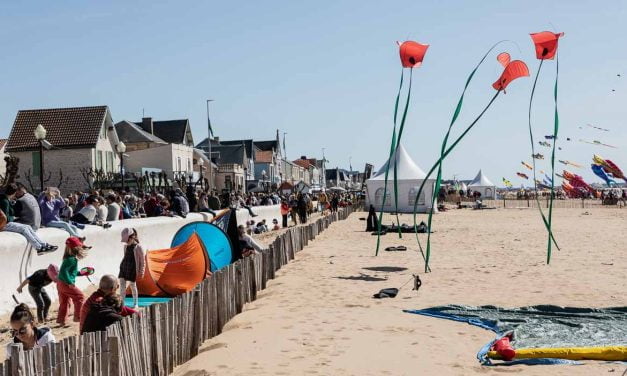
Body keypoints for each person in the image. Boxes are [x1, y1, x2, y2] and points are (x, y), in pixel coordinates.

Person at [0, 183, 57, 255]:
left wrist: (13, 216)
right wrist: (13, 218)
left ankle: (43, 245)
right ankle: (39, 247)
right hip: (3, 224)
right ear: (14, 193)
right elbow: (7, 218)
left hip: (5, 223)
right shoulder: (4, 201)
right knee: (24, 229)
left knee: (27, 226)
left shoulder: (6, 200)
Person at [56, 237, 89, 327]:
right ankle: (78, 317)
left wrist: (81, 273)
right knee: (80, 296)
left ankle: (62, 321)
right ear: (75, 248)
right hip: (65, 283)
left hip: (60, 283)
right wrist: (70, 282)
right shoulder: (71, 259)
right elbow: (64, 272)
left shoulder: (68, 258)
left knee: (65, 302)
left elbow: (70, 272)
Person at [119, 228, 146, 309]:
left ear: (132, 237)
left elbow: (142, 261)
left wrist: (142, 272)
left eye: (127, 240)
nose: (126, 242)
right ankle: (122, 303)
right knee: (122, 286)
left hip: (132, 268)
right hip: (124, 266)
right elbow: (125, 257)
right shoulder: (125, 247)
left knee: (132, 285)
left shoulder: (138, 247)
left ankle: (135, 303)